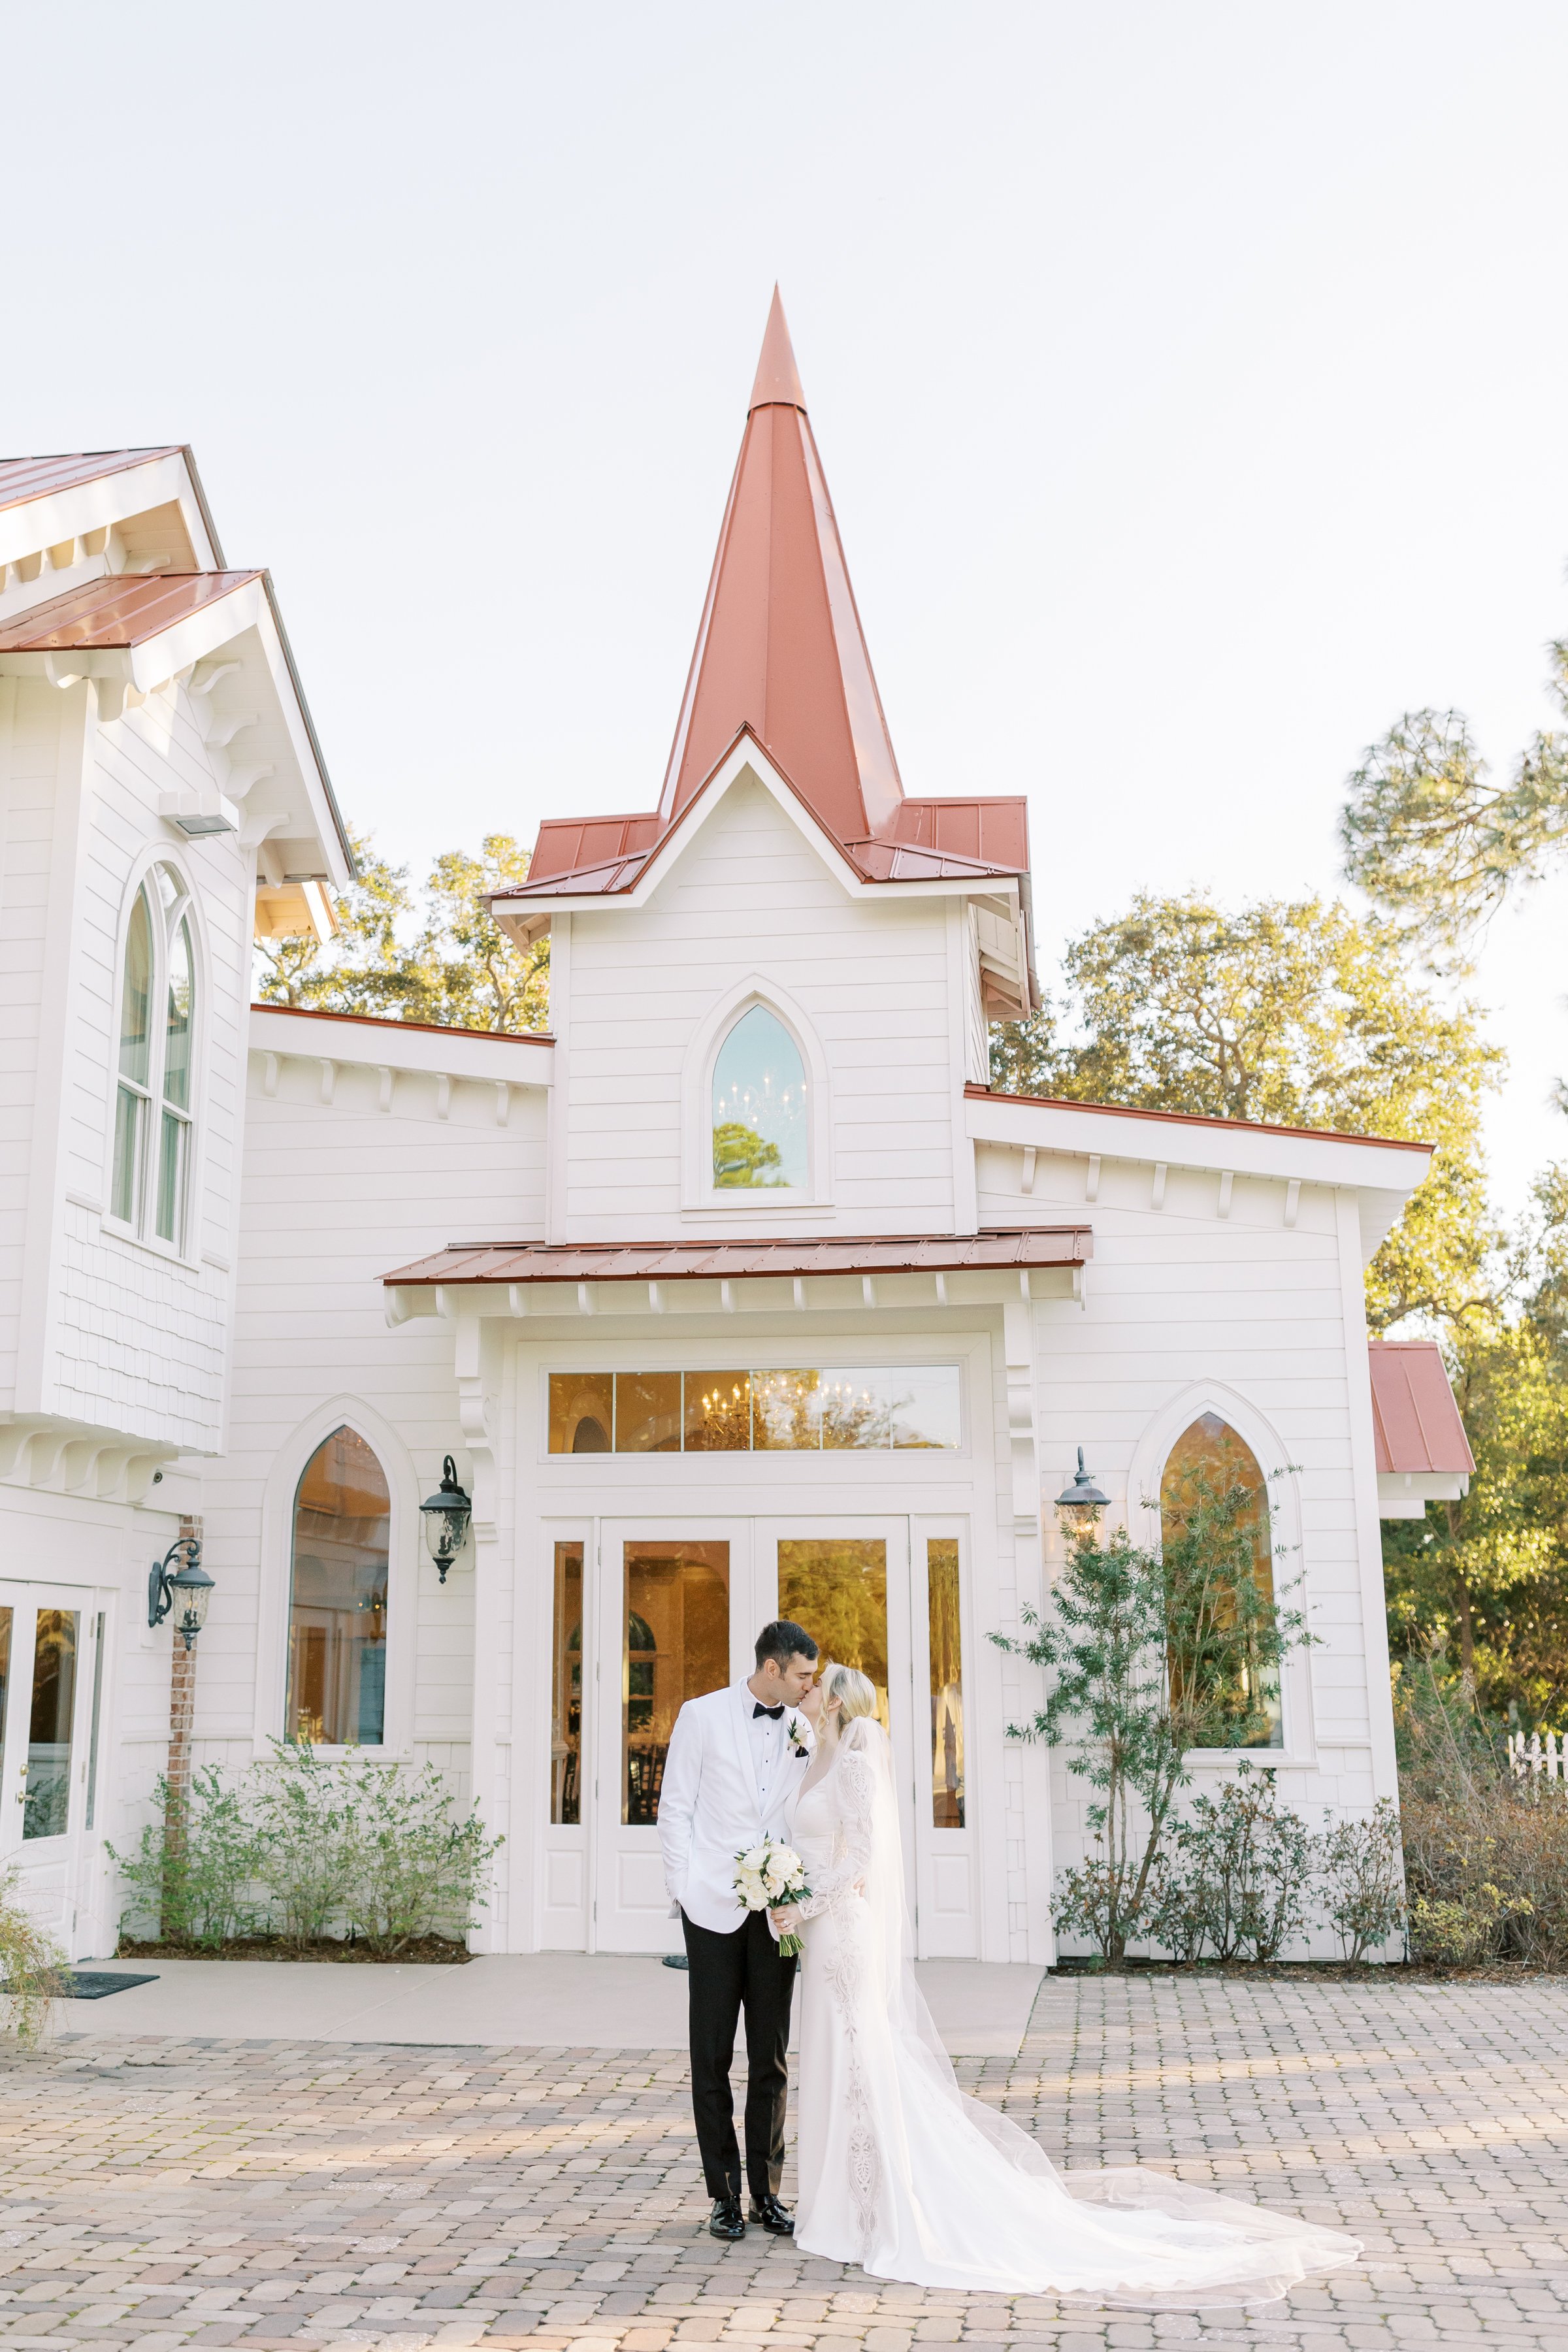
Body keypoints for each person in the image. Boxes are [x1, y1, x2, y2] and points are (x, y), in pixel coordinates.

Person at [770, 1663, 1362, 2308]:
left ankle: (869, 2209)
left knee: (860, 2061)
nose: (809, 1695)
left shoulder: (857, 1765)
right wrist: (788, 1893)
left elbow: (862, 1857)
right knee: (831, 2061)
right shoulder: (817, 1759)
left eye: (817, 1687)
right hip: (819, 1935)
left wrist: (805, 1903)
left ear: (833, 1702)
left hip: (842, 1935)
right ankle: (834, 2205)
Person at [657, 1618, 818, 2242]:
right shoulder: (701, 1716)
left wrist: (800, 1888)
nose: (810, 1686)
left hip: (776, 1909)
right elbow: (676, 1809)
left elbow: (799, 1813)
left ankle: (766, 2194)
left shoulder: (803, 1726)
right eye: (803, 1674)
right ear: (773, 1668)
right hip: (712, 1910)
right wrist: (685, 1890)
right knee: (712, 2056)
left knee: (771, 2059)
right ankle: (723, 2195)